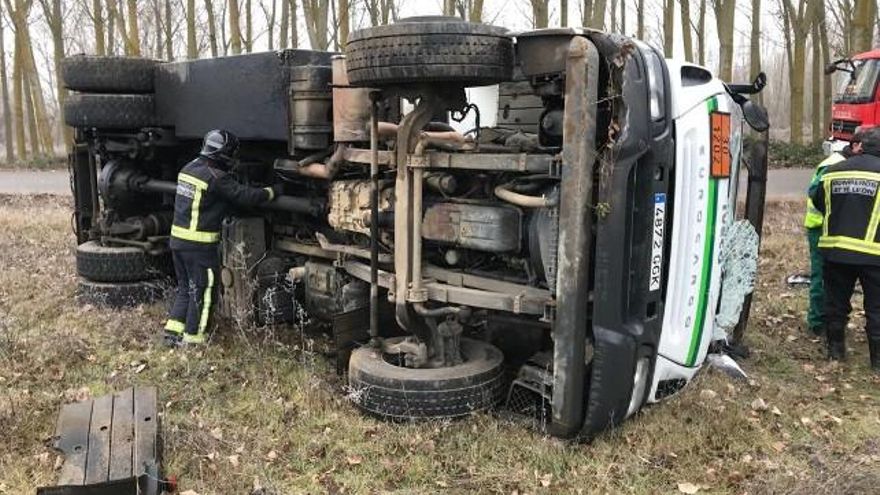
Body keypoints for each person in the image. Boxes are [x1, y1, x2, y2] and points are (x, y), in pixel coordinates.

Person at [163, 129, 282, 345]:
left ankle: (172, 335)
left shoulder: (188, 169)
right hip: (199, 247)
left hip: (178, 244)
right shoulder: (216, 178)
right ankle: (194, 341)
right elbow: (246, 196)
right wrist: (273, 191)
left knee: (185, 289)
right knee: (204, 291)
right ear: (224, 154)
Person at [810, 127, 880, 370]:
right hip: (874, 254)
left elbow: (818, 201)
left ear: (860, 146)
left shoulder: (831, 172)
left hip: (835, 250)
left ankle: (836, 353)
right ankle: (877, 363)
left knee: (836, 305)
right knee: (876, 309)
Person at [803, 137, 861, 336]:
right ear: (855, 146)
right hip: (819, 228)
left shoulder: (842, 162)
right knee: (821, 277)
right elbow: (816, 194)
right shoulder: (833, 165)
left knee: (834, 277)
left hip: (831, 227)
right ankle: (817, 323)